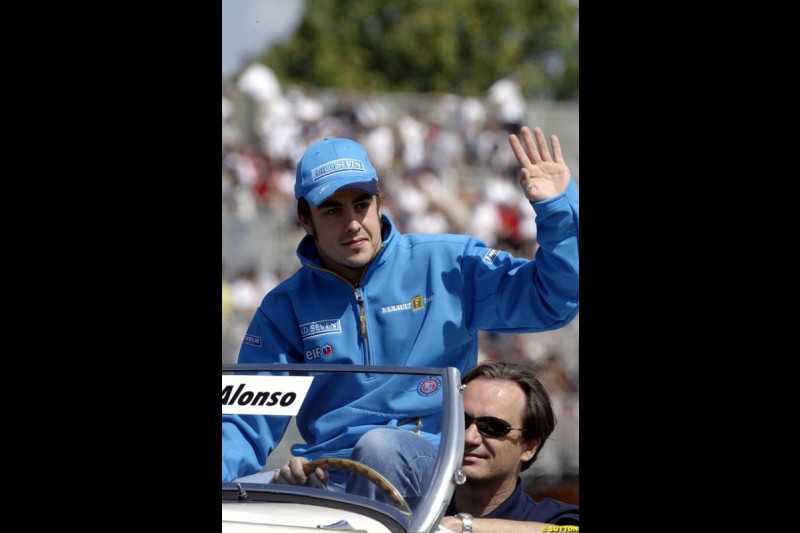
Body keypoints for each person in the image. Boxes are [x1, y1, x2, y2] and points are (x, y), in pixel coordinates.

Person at [222, 126, 579, 509]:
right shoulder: (284, 307)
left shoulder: (447, 263)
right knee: (253, 493)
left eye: (361, 204)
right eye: (332, 210)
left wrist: (557, 210)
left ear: (380, 203)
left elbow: (553, 298)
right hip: (330, 476)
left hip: (438, 468)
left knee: (380, 447)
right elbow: (246, 422)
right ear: (305, 219)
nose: (353, 222)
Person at [439, 360, 579, 531]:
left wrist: (463, 525)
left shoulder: (552, 519)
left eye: (492, 427)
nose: (470, 437)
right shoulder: (415, 512)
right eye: (462, 420)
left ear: (529, 447)